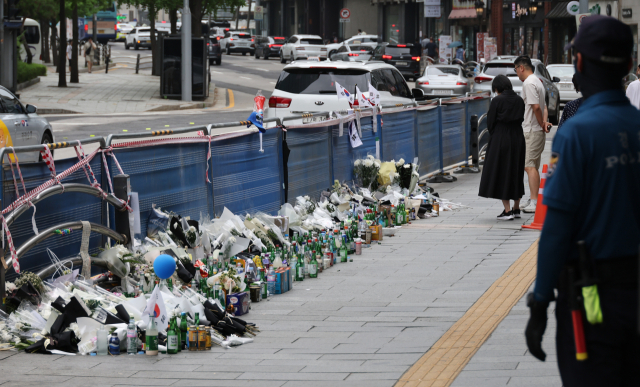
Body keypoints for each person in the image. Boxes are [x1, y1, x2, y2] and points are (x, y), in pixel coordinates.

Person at [525, 15, 640, 387]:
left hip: (593, 298)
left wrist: (541, 300)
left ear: (578, 63)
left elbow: (557, 227)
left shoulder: (577, 134)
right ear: (628, 66)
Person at [478, 75, 526, 220]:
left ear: (497, 87)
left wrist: (496, 135)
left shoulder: (497, 100)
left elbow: (490, 122)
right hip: (518, 137)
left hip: (501, 137)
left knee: (502, 171)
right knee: (516, 170)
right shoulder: (519, 100)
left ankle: (507, 210)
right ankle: (516, 208)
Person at [514, 55, 550, 213]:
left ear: (521, 67)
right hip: (536, 130)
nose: (517, 74)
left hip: (531, 130)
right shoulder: (538, 81)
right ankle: (533, 198)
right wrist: (544, 121)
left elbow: (536, 107)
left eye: (516, 70)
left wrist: (541, 123)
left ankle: (534, 201)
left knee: (529, 166)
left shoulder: (529, 83)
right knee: (532, 165)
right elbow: (545, 106)